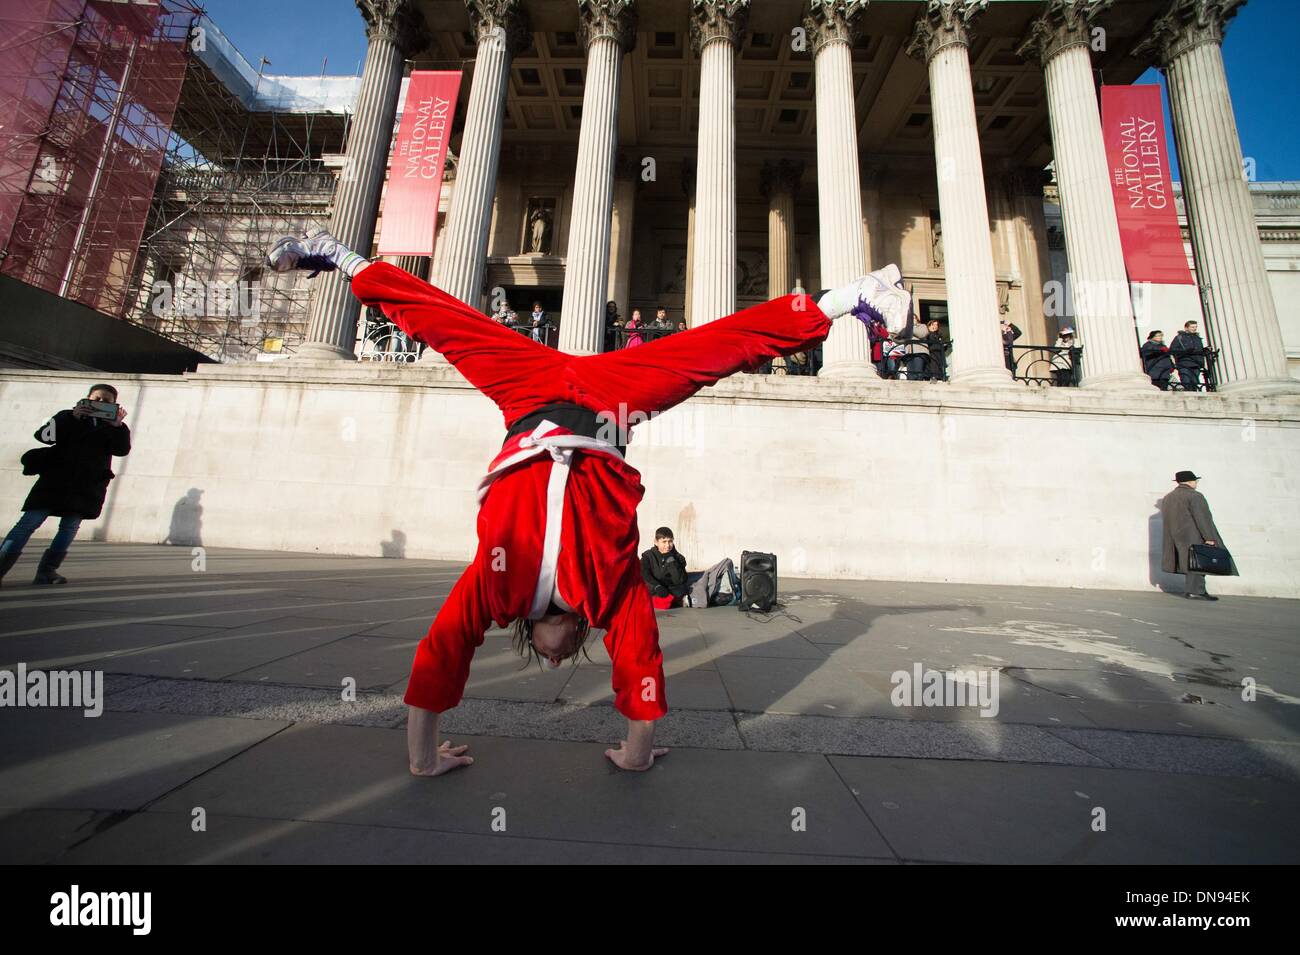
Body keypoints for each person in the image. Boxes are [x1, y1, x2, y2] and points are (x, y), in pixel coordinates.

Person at [267, 229, 913, 776]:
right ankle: (850, 297)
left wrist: (421, 755)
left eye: (541, 657)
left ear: (530, 633)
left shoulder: (495, 591)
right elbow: (639, 656)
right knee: (714, 351)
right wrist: (637, 750)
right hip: (608, 406)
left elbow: (442, 650)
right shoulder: (610, 593)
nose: (551, 659)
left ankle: (338, 256)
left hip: (528, 397)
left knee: (446, 324)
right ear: (579, 634)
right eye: (564, 657)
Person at [0, 384, 131, 587]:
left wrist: (117, 426)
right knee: (28, 523)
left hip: (86, 486)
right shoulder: (66, 416)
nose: (101, 403)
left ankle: (47, 571)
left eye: (107, 401)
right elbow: (44, 436)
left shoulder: (115, 427)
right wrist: (73, 418)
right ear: (87, 398)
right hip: (54, 481)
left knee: (69, 528)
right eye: (97, 398)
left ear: (115, 404)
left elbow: (122, 450)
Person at [1160, 470, 1232, 601]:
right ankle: (1196, 591)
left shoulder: (1168, 497)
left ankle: (1194, 590)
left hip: (1176, 536)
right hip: (1194, 534)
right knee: (1198, 562)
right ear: (1189, 481)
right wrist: (1209, 537)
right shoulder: (1195, 496)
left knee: (1189, 562)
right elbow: (1202, 518)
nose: (1196, 483)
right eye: (1195, 480)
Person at [640, 526, 739, 610]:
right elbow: (645, 574)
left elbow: (679, 580)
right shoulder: (647, 556)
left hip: (674, 590)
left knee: (695, 584)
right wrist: (657, 586)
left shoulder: (676, 557)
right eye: (664, 541)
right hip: (655, 589)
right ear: (656, 542)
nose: (667, 545)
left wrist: (670, 560)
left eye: (670, 541)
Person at [1169, 320, 1206, 391]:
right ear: (1186, 328)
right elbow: (1172, 350)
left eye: (1195, 327)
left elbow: (1199, 350)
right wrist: (1185, 351)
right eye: (1192, 327)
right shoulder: (1179, 337)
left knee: (1195, 383)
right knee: (1186, 382)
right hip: (1184, 363)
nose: (1194, 329)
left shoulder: (1197, 338)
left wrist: (1205, 350)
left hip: (1196, 363)